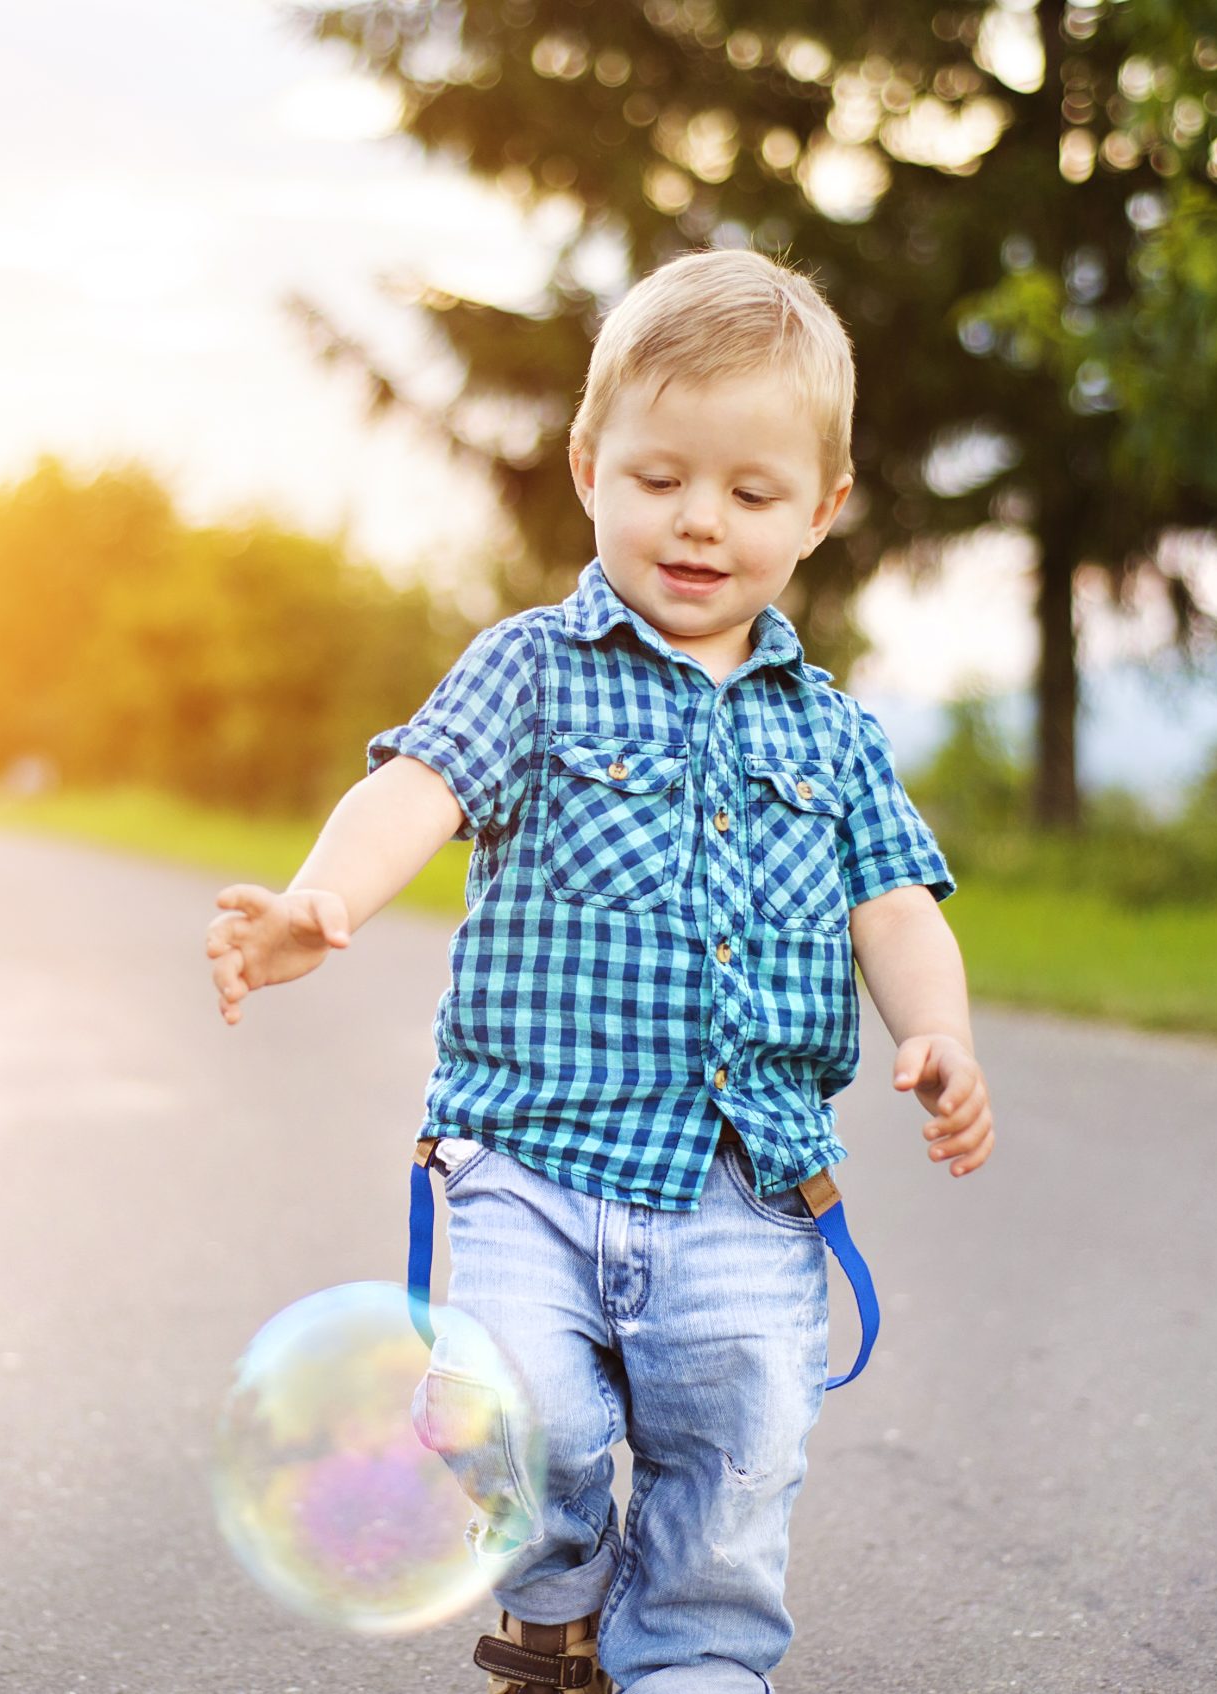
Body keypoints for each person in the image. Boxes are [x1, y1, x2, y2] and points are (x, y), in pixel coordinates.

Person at [206, 250, 996, 1692]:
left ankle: (694, 1653)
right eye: (659, 478)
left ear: (819, 511)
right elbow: (417, 791)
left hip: (750, 1181)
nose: (700, 521)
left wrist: (939, 1033)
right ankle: (555, 1586)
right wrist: (322, 902)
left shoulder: (834, 735)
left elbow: (897, 905)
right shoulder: (532, 669)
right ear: (588, 467)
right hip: (529, 1157)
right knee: (525, 1416)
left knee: (743, 1446)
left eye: (752, 494)